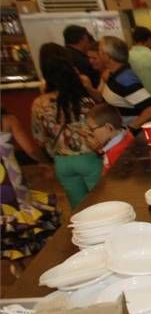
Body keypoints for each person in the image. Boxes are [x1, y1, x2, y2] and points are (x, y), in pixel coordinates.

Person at [30, 58, 102, 208]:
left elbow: (39, 138)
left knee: (79, 207)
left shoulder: (39, 103)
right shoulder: (82, 99)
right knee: (102, 200)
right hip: (89, 157)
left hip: (61, 161)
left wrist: (45, 161)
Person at [0, 108, 59, 263]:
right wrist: (44, 162)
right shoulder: (7, 120)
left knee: (4, 222)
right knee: (24, 218)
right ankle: (36, 261)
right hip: (10, 181)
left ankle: (16, 265)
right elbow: (30, 149)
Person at [98, 36, 151, 132]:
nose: (98, 55)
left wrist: (130, 129)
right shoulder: (113, 74)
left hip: (138, 136)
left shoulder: (125, 78)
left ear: (108, 56)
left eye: (100, 52)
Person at [86, 103, 134, 174]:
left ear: (109, 128)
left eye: (92, 129)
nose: (90, 133)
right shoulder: (127, 135)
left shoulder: (114, 154)